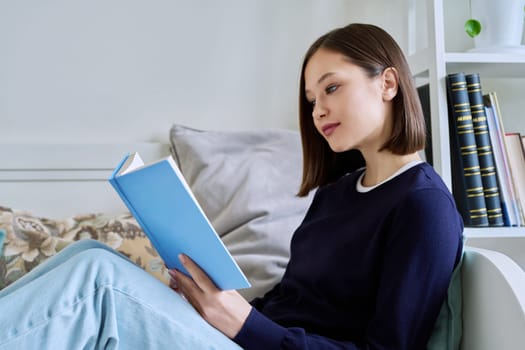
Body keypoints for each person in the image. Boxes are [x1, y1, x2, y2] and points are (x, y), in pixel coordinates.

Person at [0, 23, 463, 349]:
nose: (318, 109)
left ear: (387, 84)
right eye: (311, 98)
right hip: (246, 338)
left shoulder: (423, 208)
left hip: (253, 343)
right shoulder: (337, 193)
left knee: (99, 284)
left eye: (332, 88)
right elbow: (293, 301)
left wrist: (242, 324)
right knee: (93, 256)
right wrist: (212, 304)